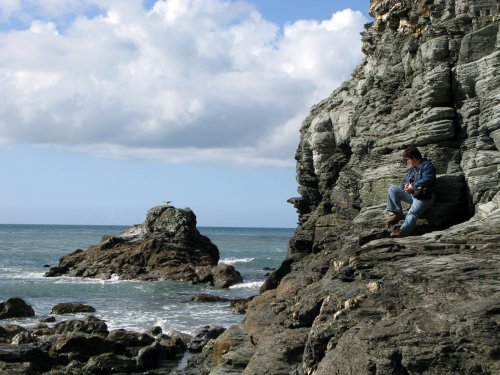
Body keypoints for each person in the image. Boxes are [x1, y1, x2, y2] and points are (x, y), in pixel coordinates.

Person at [386, 146, 436, 237]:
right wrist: (405, 186)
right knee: (392, 189)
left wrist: (413, 186)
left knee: (412, 212)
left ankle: (403, 232)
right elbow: (406, 181)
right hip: (413, 195)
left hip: (424, 197)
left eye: (408, 159)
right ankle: (397, 213)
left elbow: (428, 179)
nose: (407, 162)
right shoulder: (412, 169)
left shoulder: (428, 166)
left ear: (414, 157)